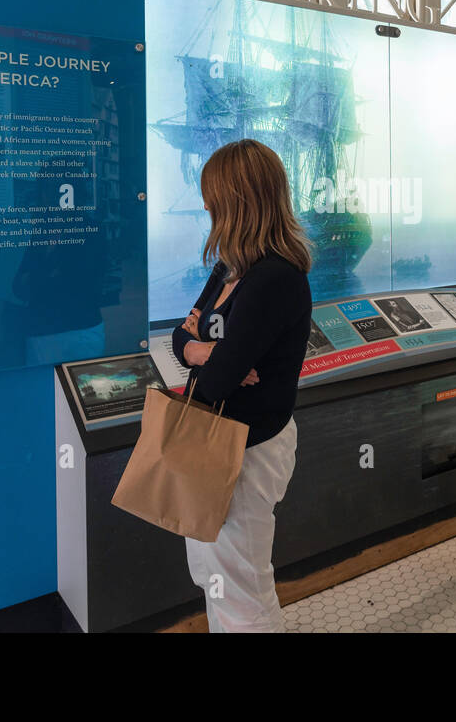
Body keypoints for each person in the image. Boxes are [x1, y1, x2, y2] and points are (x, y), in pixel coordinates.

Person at [170, 139, 313, 632]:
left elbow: (216, 382)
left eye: (212, 194)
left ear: (238, 200)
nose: (205, 204)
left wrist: (209, 357)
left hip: (244, 450)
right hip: (216, 442)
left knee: (242, 590)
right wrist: (202, 351)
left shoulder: (273, 278)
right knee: (215, 577)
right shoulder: (230, 268)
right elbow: (181, 339)